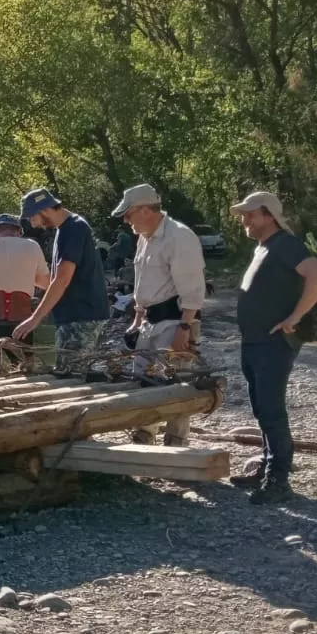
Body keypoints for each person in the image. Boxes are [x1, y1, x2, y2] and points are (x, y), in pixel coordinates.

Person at [230, 190, 317, 505]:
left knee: (272, 410)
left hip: (274, 343)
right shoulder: (263, 248)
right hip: (254, 341)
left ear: (268, 215)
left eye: (250, 213)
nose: (244, 219)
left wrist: (296, 316)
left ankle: (279, 479)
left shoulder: (285, 244)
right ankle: (266, 465)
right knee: (261, 408)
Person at [113, 183, 207, 445]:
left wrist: (185, 327)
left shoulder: (179, 237)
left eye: (129, 214)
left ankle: (176, 440)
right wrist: (136, 321)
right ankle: (145, 433)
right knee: (144, 380)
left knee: (176, 382)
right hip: (150, 320)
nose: (126, 220)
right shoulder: (145, 237)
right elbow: (144, 284)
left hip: (175, 318)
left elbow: (193, 288)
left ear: (144, 210)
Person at [12, 189, 109, 370]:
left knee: (74, 375)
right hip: (73, 316)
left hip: (82, 316)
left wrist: (35, 319)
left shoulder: (74, 229)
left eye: (32, 217)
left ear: (46, 209)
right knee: (68, 371)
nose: (32, 224)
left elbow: (62, 279)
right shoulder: (64, 230)